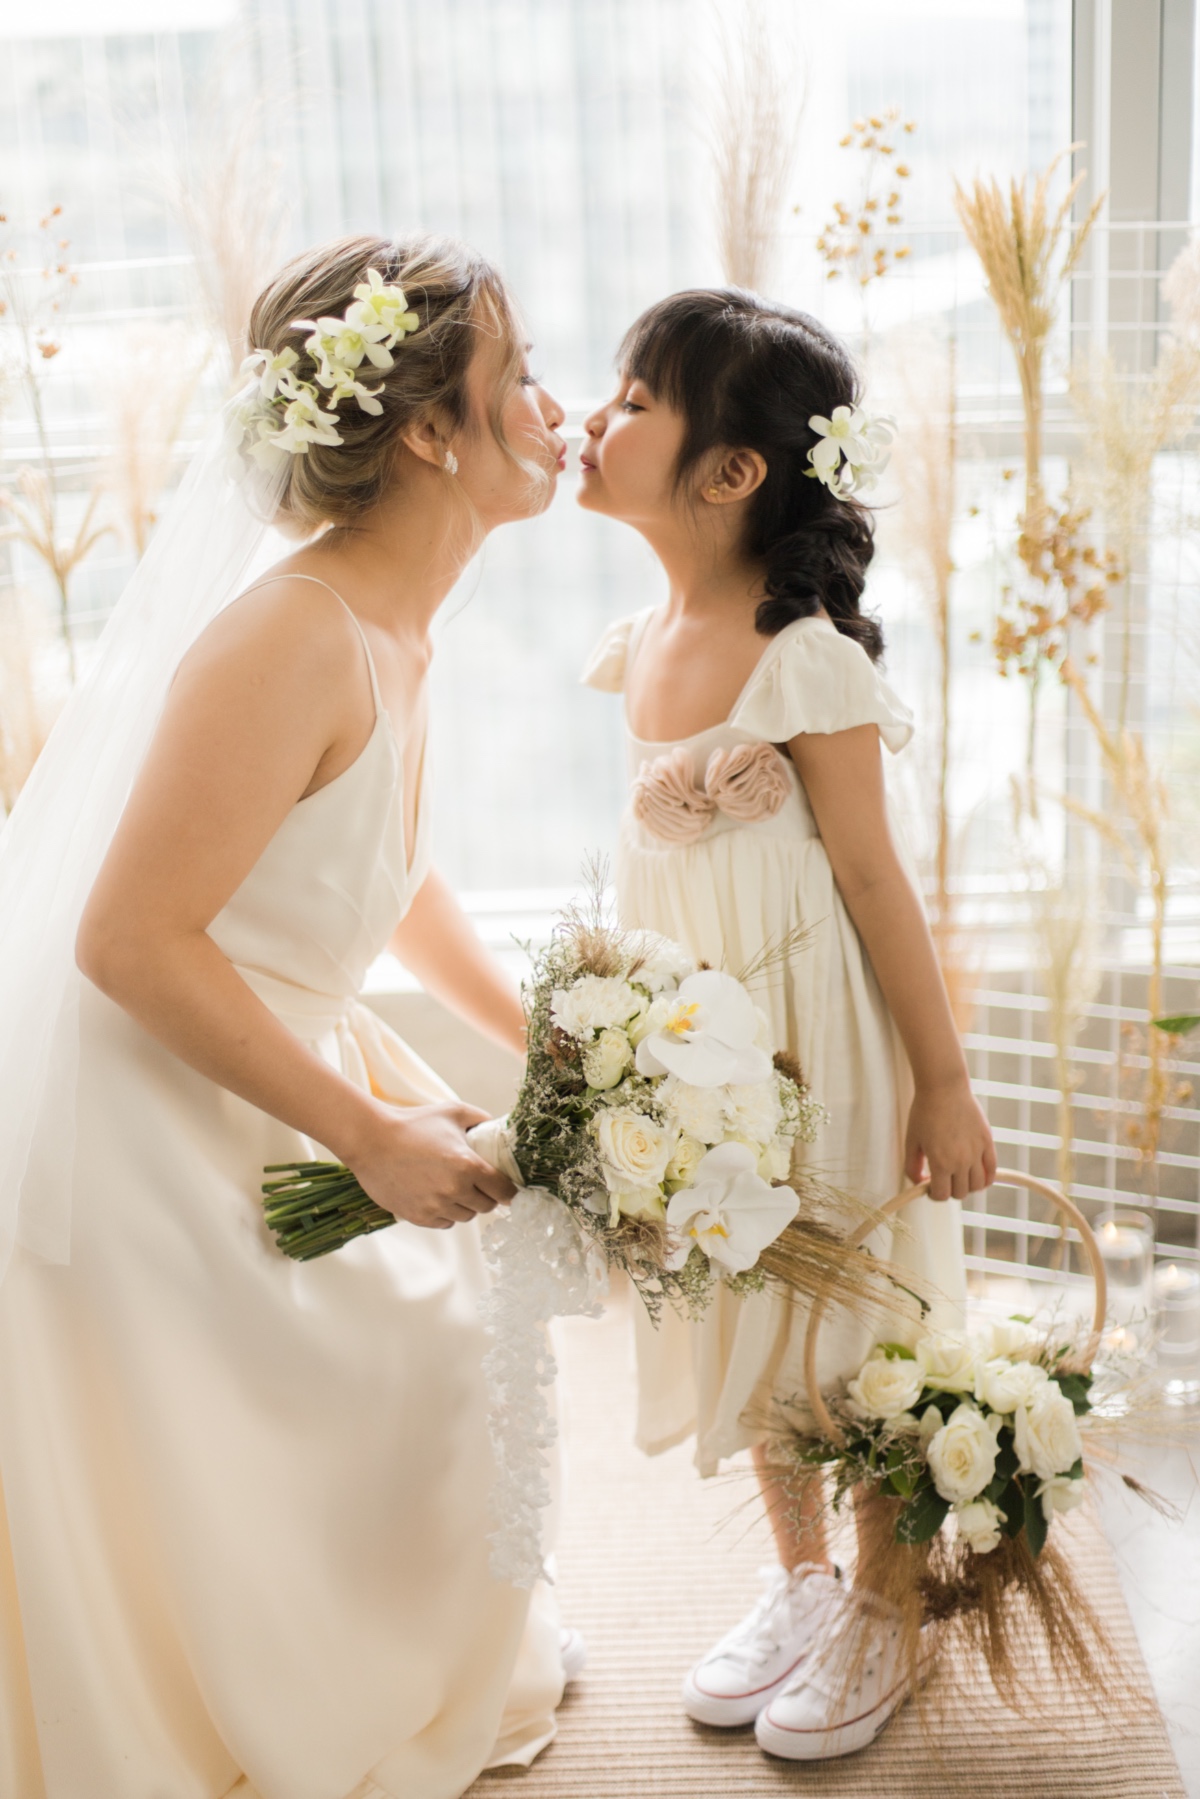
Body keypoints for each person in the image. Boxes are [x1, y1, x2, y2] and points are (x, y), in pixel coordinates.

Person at [0, 233, 578, 1799]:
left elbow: (381, 869)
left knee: (451, 1351)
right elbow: (127, 939)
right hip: (149, 1112)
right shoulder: (290, 632)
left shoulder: (400, 617)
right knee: (410, 1356)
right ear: (428, 434)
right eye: (517, 377)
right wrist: (373, 1134)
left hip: (277, 1057)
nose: (556, 405)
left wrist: (545, 1047)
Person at [578, 288, 995, 1762]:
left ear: (733, 472)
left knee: (860, 1317)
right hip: (703, 1063)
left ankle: (887, 1602)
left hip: (824, 1044)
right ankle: (801, 1582)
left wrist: (942, 1082)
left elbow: (877, 880)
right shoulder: (638, 639)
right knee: (756, 1305)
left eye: (634, 401)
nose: (594, 416)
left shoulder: (798, 650)